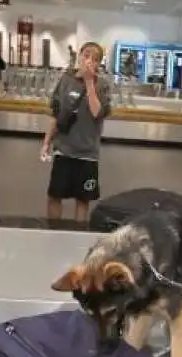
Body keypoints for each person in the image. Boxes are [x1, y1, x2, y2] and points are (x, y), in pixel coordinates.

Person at [41, 42, 111, 222]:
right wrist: (47, 142)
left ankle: (77, 236)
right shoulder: (66, 80)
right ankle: (53, 233)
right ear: (79, 56)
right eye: (86, 55)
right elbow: (56, 113)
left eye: (95, 59)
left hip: (87, 153)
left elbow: (97, 113)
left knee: (82, 199)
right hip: (64, 149)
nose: (89, 61)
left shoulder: (102, 85)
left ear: (99, 64)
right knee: (55, 195)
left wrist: (89, 83)